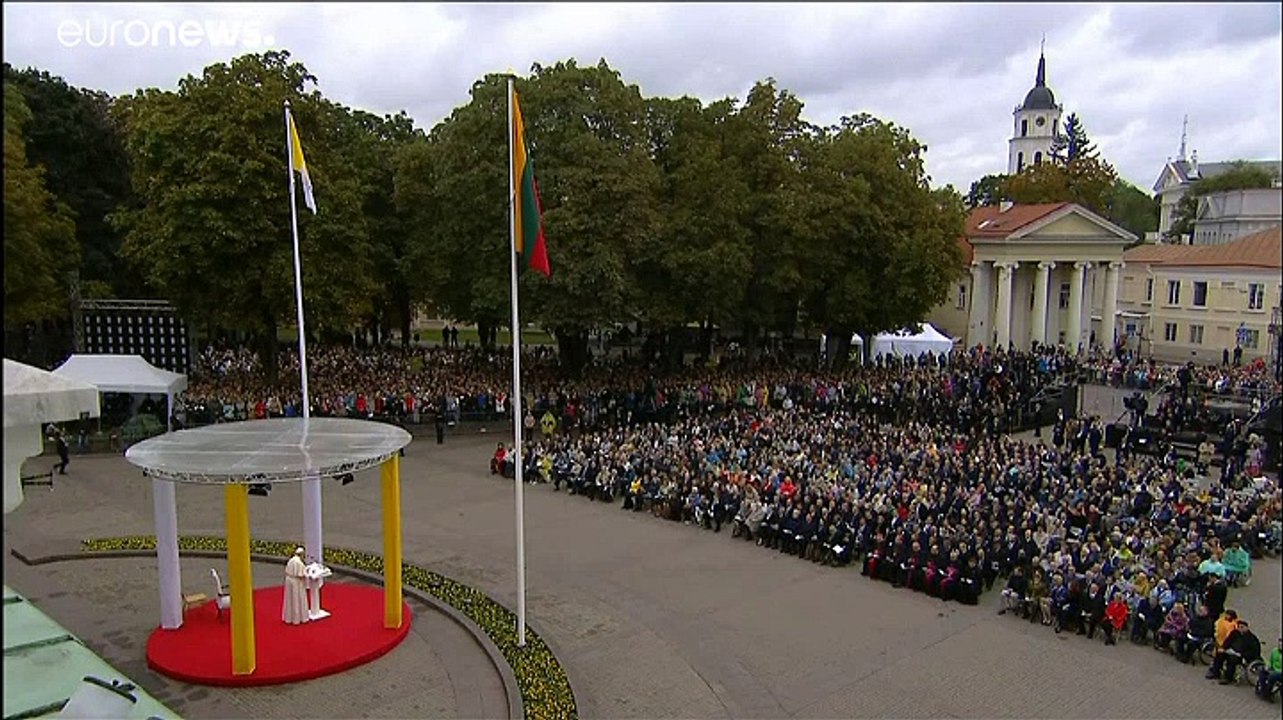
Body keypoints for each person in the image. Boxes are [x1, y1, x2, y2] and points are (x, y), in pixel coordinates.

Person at [1213, 619, 1261, 685]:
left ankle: (1228, 678)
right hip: (1231, 651)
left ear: (1246, 628)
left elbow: (1254, 651)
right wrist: (1223, 648)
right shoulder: (1234, 633)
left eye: (1242, 627)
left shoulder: (1252, 638)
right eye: (1239, 627)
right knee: (1219, 654)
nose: (1240, 629)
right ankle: (1215, 672)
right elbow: (1227, 642)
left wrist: (1242, 655)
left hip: (1242, 655)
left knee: (1232, 659)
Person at [283, 547, 309, 624]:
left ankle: (289, 618)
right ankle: (297, 618)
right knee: (297, 600)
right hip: (297, 583)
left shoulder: (291, 560)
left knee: (290, 600)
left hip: (289, 581)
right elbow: (301, 574)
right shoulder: (299, 563)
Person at [1257, 636, 1281, 701]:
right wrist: (1267, 666)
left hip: (1280, 672)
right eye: (1280, 642)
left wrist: (1276, 671)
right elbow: (1270, 661)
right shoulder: (1274, 651)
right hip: (1273, 669)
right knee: (1262, 670)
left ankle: (1267, 693)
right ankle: (1263, 689)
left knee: (1272, 676)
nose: (1280, 644)